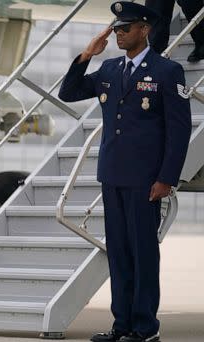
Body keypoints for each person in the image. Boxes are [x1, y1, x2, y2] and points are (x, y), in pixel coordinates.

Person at [58, 2, 191, 341]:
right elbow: (69, 91)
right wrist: (88, 53)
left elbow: (178, 130)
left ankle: (145, 328)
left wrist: (166, 178)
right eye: (116, 28)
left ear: (144, 29)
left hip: (146, 179)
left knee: (142, 251)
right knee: (118, 252)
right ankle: (122, 326)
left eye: (126, 28)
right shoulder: (110, 69)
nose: (119, 34)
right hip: (113, 174)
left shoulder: (166, 71)